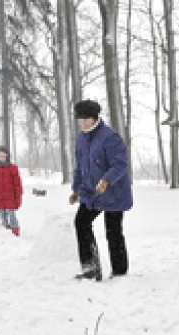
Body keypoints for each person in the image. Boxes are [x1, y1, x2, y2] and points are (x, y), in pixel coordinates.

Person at [69, 100, 133, 280]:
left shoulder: (110, 137)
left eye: (86, 119)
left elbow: (120, 165)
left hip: (114, 191)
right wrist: (75, 189)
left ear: (95, 118)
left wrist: (106, 180)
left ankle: (120, 271)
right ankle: (91, 268)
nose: (82, 123)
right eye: (79, 119)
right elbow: (79, 167)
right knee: (81, 222)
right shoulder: (81, 139)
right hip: (91, 192)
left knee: (112, 230)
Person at [0, 145, 23, 236]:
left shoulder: (13, 168)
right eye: (0, 156)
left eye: (3, 156)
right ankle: (6, 231)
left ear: (7, 156)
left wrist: (18, 194)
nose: (2, 158)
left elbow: (17, 182)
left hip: (10, 196)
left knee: (12, 214)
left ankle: (15, 232)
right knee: (2, 214)